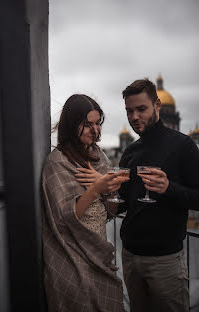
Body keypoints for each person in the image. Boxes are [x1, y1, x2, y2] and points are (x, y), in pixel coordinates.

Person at [117, 78, 199, 312]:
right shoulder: (130, 152)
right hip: (129, 257)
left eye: (141, 109)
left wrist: (168, 188)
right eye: (129, 111)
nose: (134, 117)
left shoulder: (183, 146)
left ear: (158, 105)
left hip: (165, 262)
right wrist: (105, 192)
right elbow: (123, 204)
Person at [42, 94, 129, 312]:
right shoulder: (57, 162)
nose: (95, 130)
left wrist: (110, 191)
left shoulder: (98, 157)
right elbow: (63, 219)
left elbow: (111, 211)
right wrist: (96, 189)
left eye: (97, 123)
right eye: (87, 124)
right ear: (72, 125)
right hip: (72, 257)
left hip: (98, 249)